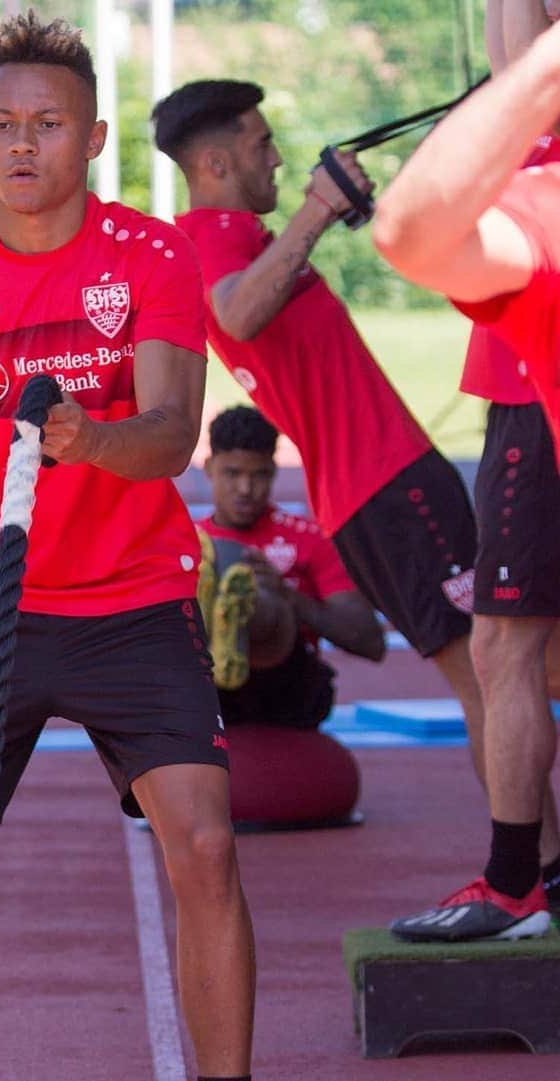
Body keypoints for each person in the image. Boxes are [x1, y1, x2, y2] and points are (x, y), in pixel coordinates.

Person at [0, 12, 255, 1081]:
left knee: (205, 848)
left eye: (49, 124)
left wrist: (92, 437)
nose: (24, 145)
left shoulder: (152, 256)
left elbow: (172, 438)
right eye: (1, 125)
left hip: (131, 608)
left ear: (96, 137)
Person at [150, 77, 493, 848]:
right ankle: (528, 872)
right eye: (260, 144)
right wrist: (318, 208)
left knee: (509, 671)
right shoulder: (211, 243)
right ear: (214, 161)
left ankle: (531, 870)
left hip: (378, 488)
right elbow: (236, 309)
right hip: (391, 484)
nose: (276, 158)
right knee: (494, 681)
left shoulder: (237, 238)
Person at [372, 5, 560, 940]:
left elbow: (523, 68)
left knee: (504, 648)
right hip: (520, 380)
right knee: (506, 649)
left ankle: (522, 878)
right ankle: (533, 873)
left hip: (529, 391)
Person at [197, 406, 384, 727]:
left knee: (262, 601)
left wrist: (288, 594)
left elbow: (370, 642)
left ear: (273, 470)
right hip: (206, 690)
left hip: (286, 688)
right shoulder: (187, 542)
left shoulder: (310, 539)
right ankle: (223, 615)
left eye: (258, 475)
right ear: (210, 468)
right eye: (232, 473)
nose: (245, 489)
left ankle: (246, 608)